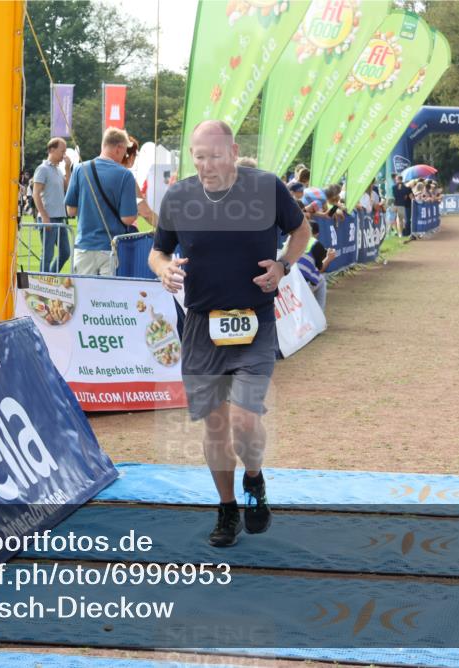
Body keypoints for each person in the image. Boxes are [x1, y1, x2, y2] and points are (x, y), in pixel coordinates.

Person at [148, 119, 309, 547]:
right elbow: (157, 250)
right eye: (199, 158)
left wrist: (283, 265)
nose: (206, 166)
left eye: (215, 156)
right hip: (201, 326)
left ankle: (253, 480)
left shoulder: (266, 188)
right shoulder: (180, 195)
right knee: (215, 426)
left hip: (255, 321)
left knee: (243, 419)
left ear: (234, 151)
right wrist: (164, 270)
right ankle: (226, 508)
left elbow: (301, 231)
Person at [65, 127, 138, 276]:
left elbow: (71, 210)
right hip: (110, 248)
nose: (125, 155)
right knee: (108, 298)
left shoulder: (80, 169)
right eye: (125, 151)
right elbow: (128, 219)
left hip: (83, 246)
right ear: (118, 148)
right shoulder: (125, 175)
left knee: (82, 296)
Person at [32, 137, 73, 272]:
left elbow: (67, 187)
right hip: (48, 219)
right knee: (48, 255)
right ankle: (44, 285)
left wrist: (67, 169)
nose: (64, 154)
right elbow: (35, 194)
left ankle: (50, 278)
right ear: (52, 150)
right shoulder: (43, 169)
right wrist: (44, 216)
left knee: (65, 252)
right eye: (62, 151)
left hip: (59, 218)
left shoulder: (58, 170)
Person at [297, 221, 336, 310]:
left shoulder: (291, 240)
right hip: (301, 285)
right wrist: (329, 258)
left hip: (285, 284)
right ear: (317, 234)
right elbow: (320, 269)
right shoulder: (315, 244)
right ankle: (319, 316)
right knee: (321, 279)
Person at [121, 134, 158, 227]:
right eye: (135, 154)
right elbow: (146, 212)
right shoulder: (127, 177)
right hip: (119, 236)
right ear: (130, 156)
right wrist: (170, 229)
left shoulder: (88, 170)